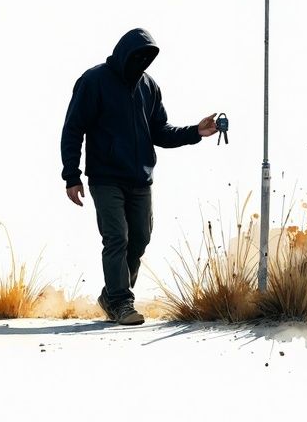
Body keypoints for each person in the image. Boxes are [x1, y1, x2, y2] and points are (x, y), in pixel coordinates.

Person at [60, 28, 217, 325]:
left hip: (141, 178)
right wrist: (72, 175)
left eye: (147, 57)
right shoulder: (94, 81)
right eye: (137, 56)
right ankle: (121, 303)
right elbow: (73, 129)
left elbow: (160, 132)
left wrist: (195, 132)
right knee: (116, 237)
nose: (142, 62)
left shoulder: (149, 86)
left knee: (140, 239)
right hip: (106, 177)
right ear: (124, 53)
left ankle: (111, 295)